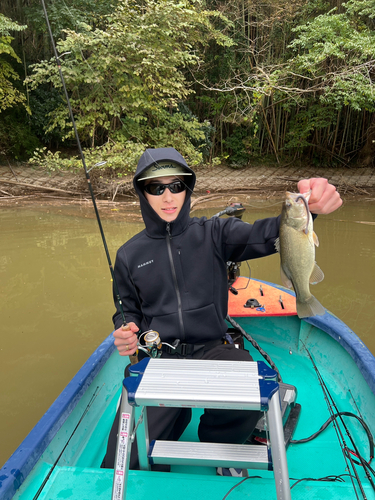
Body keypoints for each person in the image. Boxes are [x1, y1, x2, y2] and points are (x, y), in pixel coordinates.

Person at [101, 147, 342, 474]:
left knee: (246, 382)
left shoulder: (215, 233)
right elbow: (125, 308)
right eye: (156, 187)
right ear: (142, 192)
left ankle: (219, 444)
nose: (168, 195)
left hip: (213, 348)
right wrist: (126, 329)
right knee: (124, 461)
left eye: (177, 185)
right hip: (161, 358)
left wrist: (309, 209)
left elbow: (267, 234)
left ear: (188, 188)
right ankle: (175, 415)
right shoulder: (129, 254)